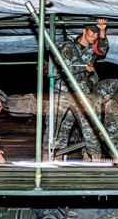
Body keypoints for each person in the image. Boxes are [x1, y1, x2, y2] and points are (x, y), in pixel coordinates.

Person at [45, 18, 108, 161]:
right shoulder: (68, 46)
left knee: (89, 124)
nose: (95, 36)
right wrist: (83, 67)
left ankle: (95, 157)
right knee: (55, 125)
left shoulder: (92, 48)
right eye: (93, 32)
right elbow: (65, 67)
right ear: (84, 31)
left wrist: (102, 30)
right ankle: (50, 155)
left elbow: (102, 49)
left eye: (97, 34)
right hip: (64, 90)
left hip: (81, 90)